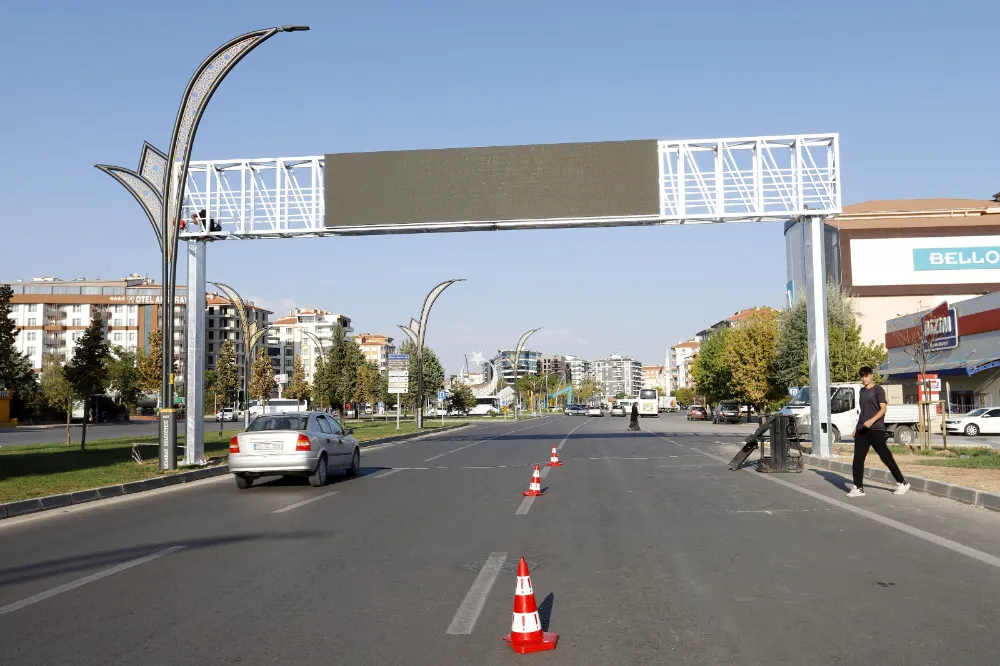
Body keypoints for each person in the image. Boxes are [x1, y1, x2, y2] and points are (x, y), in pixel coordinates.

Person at [848, 366, 910, 498]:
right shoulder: (862, 391)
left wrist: (871, 421)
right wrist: (856, 428)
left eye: (866, 376)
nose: (864, 379)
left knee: (885, 456)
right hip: (862, 429)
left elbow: (883, 409)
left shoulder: (878, 390)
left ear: (871, 375)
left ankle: (902, 482)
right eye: (862, 376)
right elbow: (863, 412)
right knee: (857, 459)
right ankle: (858, 488)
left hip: (876, 429)